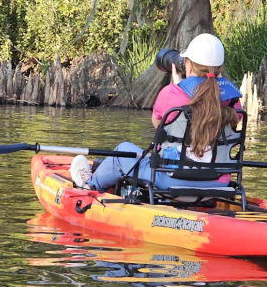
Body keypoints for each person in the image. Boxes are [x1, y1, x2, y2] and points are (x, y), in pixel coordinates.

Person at [69, 33, 242, 192]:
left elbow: (159, 125)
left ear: (188, 66)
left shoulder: (171, 94)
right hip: (218, 183)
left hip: (171, 180)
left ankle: (88, 186)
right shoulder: (233, 100)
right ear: (220, 68)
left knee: (122, 151)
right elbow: (218, 108)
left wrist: (177, 86)